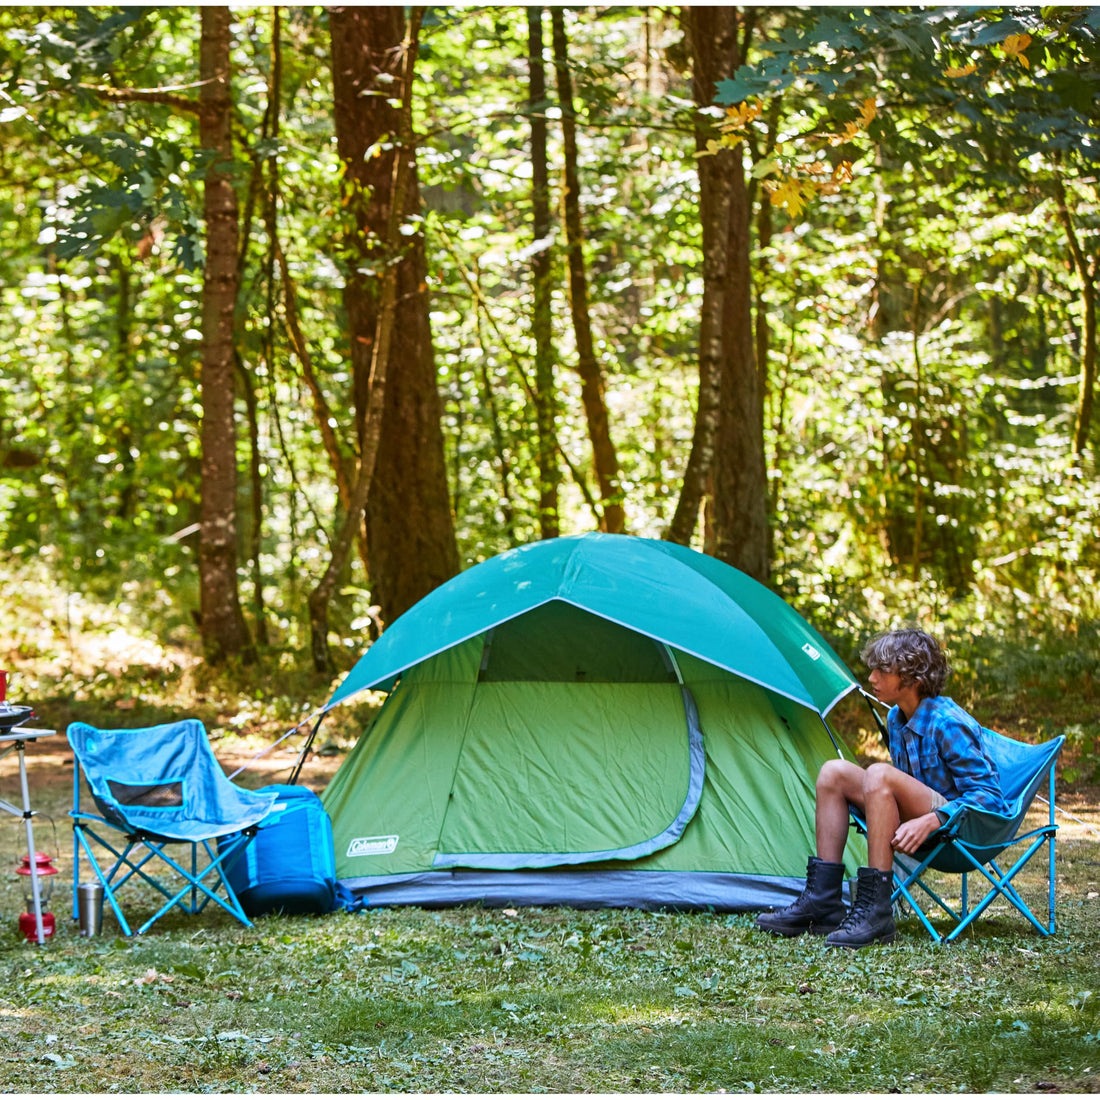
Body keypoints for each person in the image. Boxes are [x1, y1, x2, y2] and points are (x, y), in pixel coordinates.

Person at [756, 628, 1007, 948]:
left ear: (913, 678)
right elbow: (895, 789)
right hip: (914, 819)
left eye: (882, 670)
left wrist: (935, 819)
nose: (871, 677)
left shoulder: (948, 722)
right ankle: (824, 901)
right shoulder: (896, 719)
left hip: (956, 831)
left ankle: (876, 911)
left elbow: (989, 796)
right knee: (833, 772)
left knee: (879, 773)